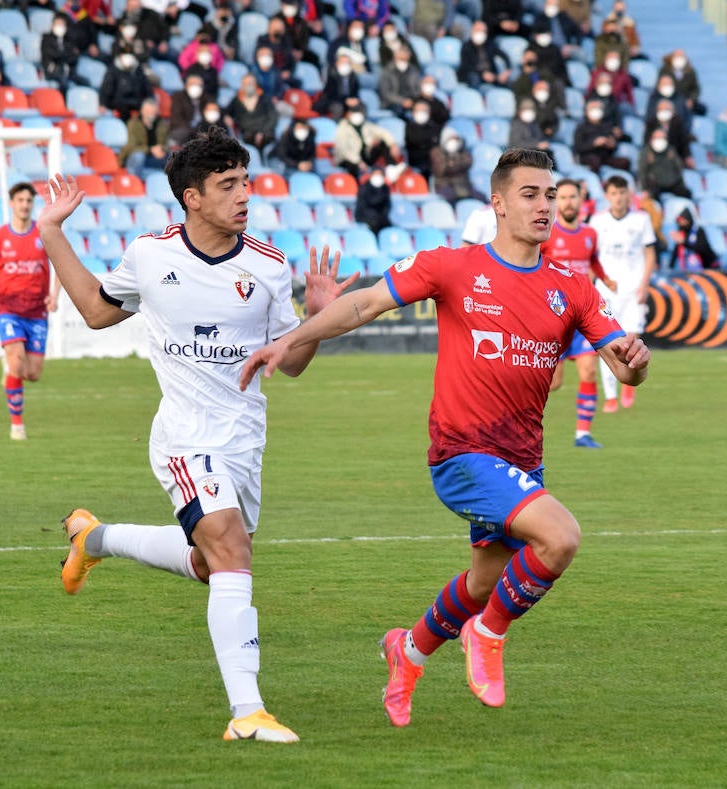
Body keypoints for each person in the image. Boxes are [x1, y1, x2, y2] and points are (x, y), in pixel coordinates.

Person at [234, 147, 650, 728]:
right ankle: (487, 636)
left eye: (550, 195)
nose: (545, 206)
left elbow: (623, 365)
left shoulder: (570, 287)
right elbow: (364, 304)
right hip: (462, 453)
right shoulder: (454, 266)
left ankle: (406, 652)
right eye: (530, 194)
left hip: (521, 459)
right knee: (560, 538)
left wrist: (635, 361)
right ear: (498, 204)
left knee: (485, 581)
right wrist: (291, 338)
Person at [37, 125, 357, 743]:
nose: (244, 196)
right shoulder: (152, 255)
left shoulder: (267, 267)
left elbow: (288, 363)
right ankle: (248, 713)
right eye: (228, 185)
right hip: (184, 436)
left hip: (243, 440)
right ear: (192, 196)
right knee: (234, 551)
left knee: (214, 566)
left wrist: (314, 319)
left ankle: (94, 539)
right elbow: (98, 312)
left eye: (247, 182)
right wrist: (52, 231)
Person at [0, 183, 61, 441]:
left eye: (28, 200)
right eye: (20, 200)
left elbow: (61, 266)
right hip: (6, 306)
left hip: (35, 310)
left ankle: (9, 367)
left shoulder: (43, 234)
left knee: (32, 373)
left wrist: (54, 296)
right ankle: (17, 426)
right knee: (16, 359)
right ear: (11, 203)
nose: (24, 204)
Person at [543, 178, 615, 448]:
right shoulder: (547, 235)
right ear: (555, 201)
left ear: (580, 200)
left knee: (589, 372)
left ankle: (582, 434)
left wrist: (605, 279)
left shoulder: (589, 234)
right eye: (562, 197)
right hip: (553, 317)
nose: (568, 202)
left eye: (572, 197)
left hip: (582, 315)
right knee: (552, 383)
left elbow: (593, 259)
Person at [588, 174, 654, 412]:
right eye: (613, 193)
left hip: (633, 288)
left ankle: (630, 380)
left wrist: (645, 285)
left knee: (632, 340)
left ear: (629, 195)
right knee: (608, 343)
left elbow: (649, 254)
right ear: (607, 196)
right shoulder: (596, 221)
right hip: (606, 291)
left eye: (622, 193)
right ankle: (610, 396)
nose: (618, 198)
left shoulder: (641, 219)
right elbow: (591, 258)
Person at [333, 99, 399, 178]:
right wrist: (358, 161)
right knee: (352, 166)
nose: (357, 115)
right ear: (349, 113)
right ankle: (355, 185)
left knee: (383, 143)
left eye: (359, 112)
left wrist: (392, 144)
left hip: (365, 155)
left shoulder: (366, 125)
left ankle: (391, 169)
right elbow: (343, 149)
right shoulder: (343, 127)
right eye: (355, 112)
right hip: (348, 159)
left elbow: (383, 132)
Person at [225, 74, 278, 161]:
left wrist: (262, 132)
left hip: (265, 133)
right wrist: (227, 117)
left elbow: (272, 117)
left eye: (251, 83)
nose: (248, 85)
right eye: (246, 83)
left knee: (268, 140)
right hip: (246, 134)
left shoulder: (265, 99)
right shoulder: (236, 100)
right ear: (242, 85)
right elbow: (226, 112)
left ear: (256, 84)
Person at [120, 97, 171, 177]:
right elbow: (131, 147)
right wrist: (151, 150)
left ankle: (167, 181)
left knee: (172, 156)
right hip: (138, 157)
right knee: (139, 156)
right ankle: (135, 181)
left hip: (155, 158)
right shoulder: (133, 124)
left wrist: (162, 149)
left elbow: (167, 144)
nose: (151, 114)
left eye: (153, 112)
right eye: (148, 112)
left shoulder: (161, 124)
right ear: (142, 111)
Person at [41, 13, 90, 95]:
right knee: (63, 82)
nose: (60, 27)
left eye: (62, 24)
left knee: (85, 82)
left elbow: (74, 57)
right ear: (52, 25)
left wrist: (61, 56)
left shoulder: (67, 40)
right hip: (53, 71)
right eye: (58, 24)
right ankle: (63, 105)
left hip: (67, 71)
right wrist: (65, 55)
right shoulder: (46, 39)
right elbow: (51, 54)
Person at [636, 127, 690, 201]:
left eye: (662, 138)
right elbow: (642, 171)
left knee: (686, 193)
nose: (660, 140)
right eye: (657, 138)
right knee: (650, 197)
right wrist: (644, 189)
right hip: (655, 184)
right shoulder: (646, 153)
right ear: (651, 139)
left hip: (672, 183)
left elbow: (679, 167)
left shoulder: (671, 150)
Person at [99, 52, 153, 120]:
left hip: (137, 104)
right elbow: (106, 89)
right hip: (119, 105)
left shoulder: (139, 70)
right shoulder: (113, 70)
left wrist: (150, 101)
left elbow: (147, 88)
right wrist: (102, 103)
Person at [457, 21, 510, 88]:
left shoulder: (490, 45)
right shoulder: (466, 46)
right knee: (474, 78)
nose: (480, 33)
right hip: (473, 74)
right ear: (472, 31)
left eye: (482, 31)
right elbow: (466, 66)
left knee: (505, 82)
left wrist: (507, 70)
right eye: (478, 30)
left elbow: (504, 55)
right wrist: (482, 74)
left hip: (490, 75)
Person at [665, 206, 717, 271]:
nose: (681, 224)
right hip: (688, 271)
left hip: (705, 268)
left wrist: (684, 242)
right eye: (679, 222)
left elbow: (702, 249)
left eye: (683, 221)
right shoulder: (681, 233)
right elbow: (675, 254)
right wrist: (669, 269)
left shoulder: (698, 231)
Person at [404, 99, 443, 178]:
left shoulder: (435, 127)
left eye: (424, 111)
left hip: (431, 160)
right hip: (415, 159)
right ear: (413, 113)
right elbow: (413, 140)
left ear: (428, 113)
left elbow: (437, 143)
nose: (421, 113)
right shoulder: (408, 127)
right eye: (418, 110)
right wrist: (429, 140)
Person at [354, 168, 391, 234]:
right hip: (366, 217)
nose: (377, 176)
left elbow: (387, 206)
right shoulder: (364, 188)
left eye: (380, 174)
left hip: (381, 218)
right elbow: (362, 207)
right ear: (371, 175)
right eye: (376, 174)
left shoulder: (385, 188)